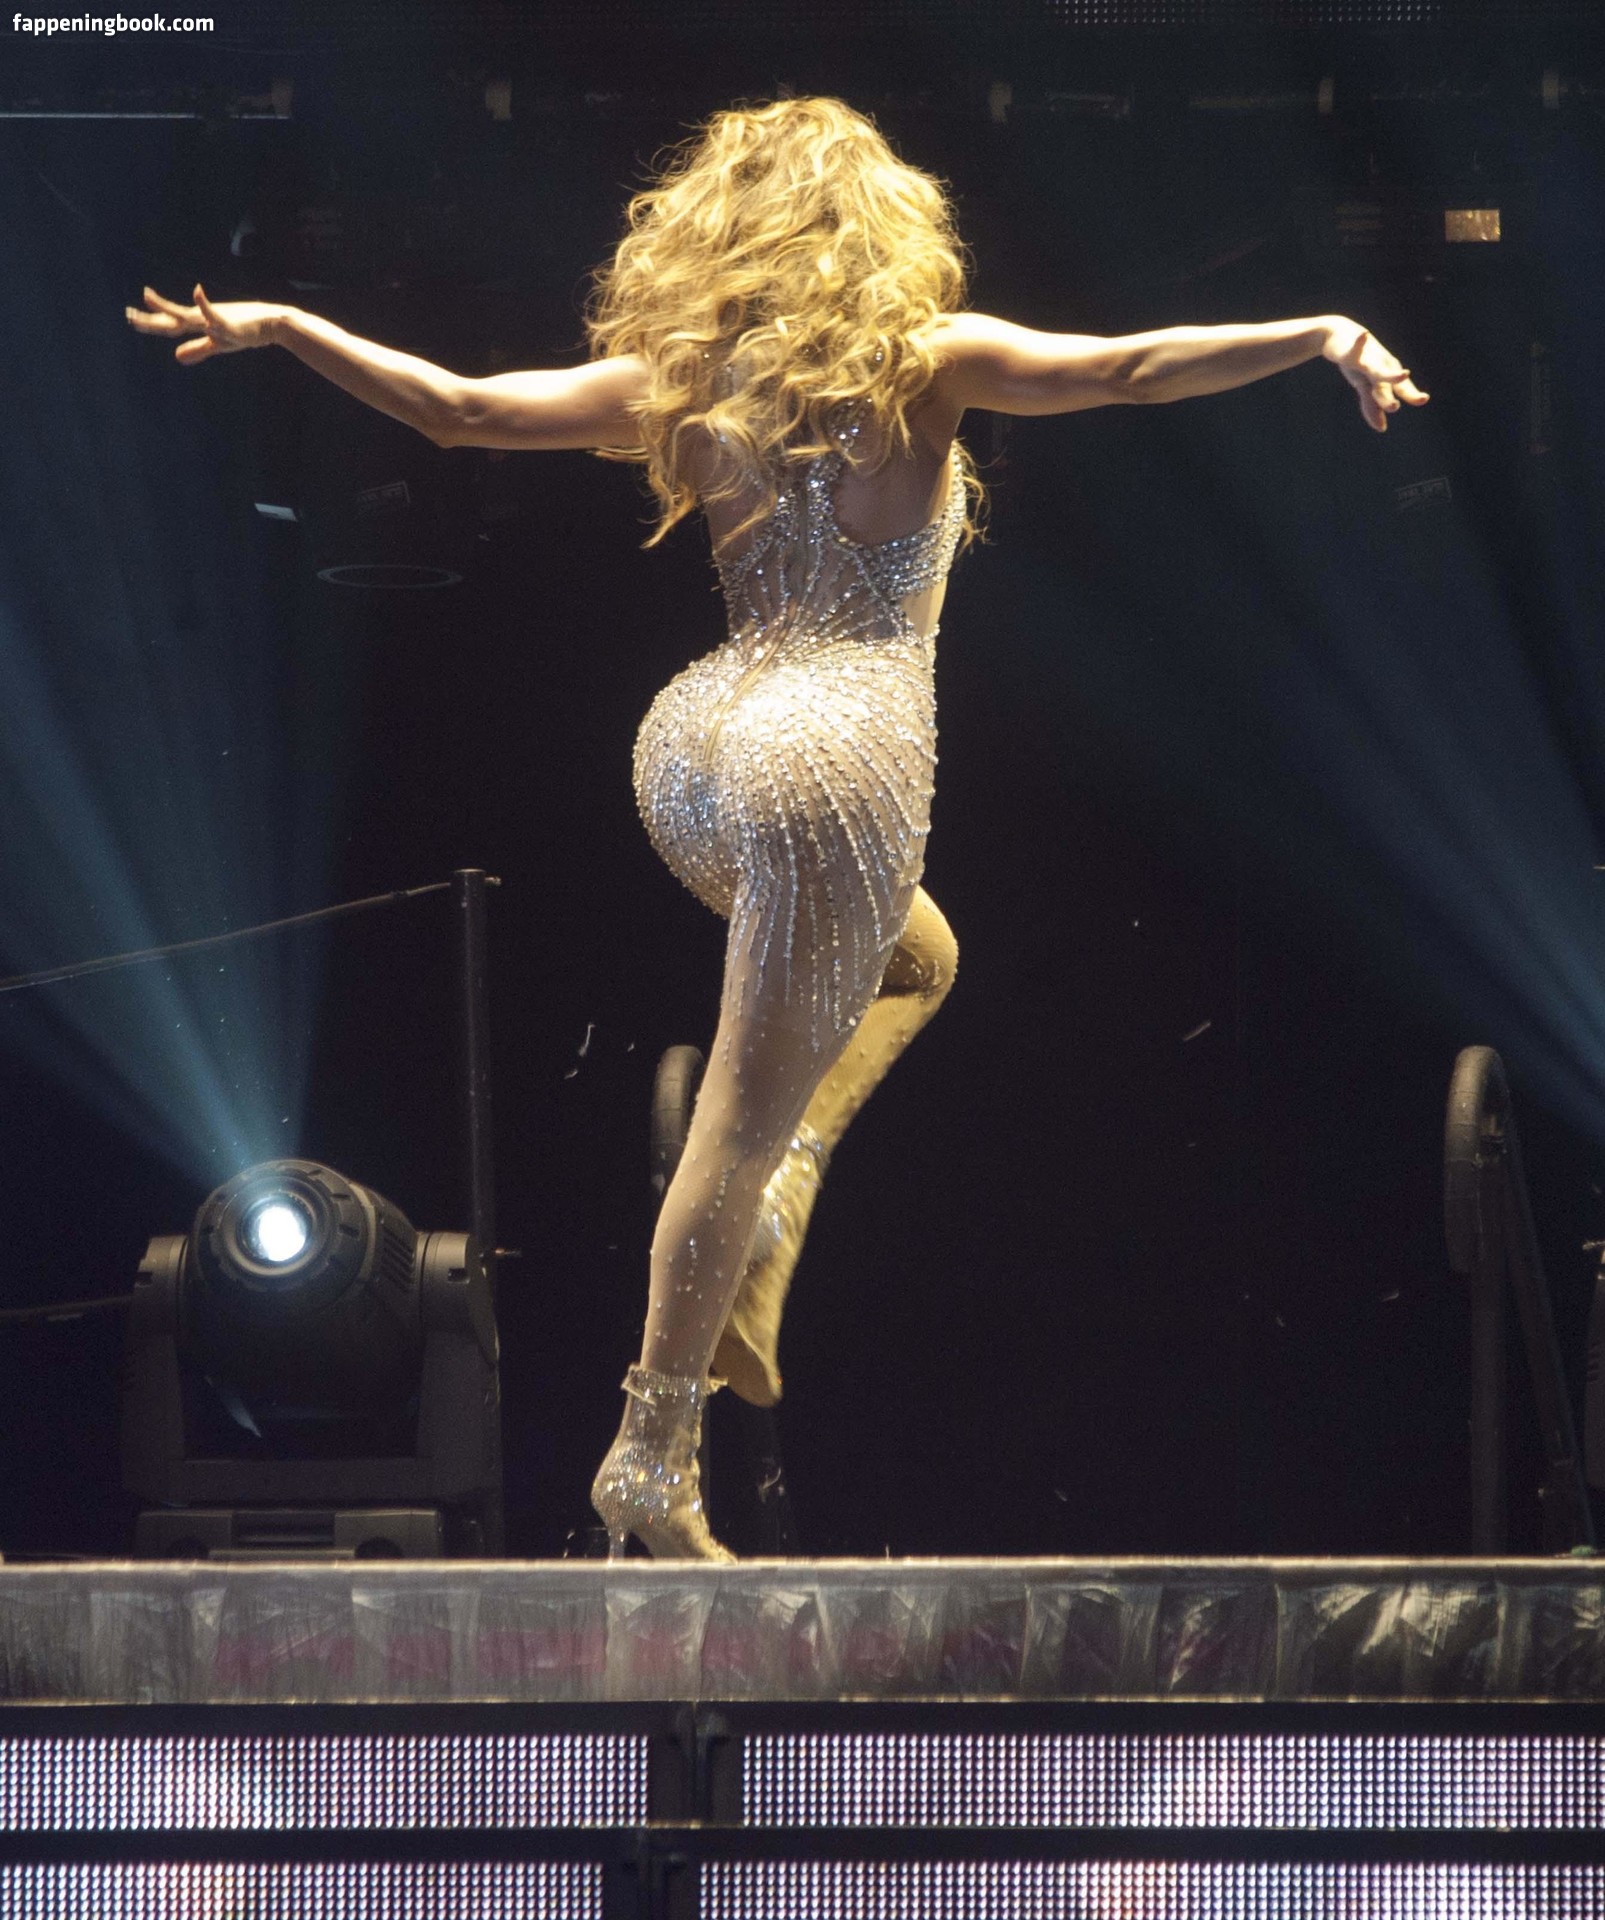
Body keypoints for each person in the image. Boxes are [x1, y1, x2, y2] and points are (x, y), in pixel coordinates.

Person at [126, 96, 1427, 1561]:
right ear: (879, 226)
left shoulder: (685, 387)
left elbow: (459, 407)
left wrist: (285, 323)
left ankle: (783, 1181)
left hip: (694, 750)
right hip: (834, 754)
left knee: (917, 959)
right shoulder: (926, 364)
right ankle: (650, 1452)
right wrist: (1319, 332)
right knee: (734, 1126)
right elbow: (1130, 368)